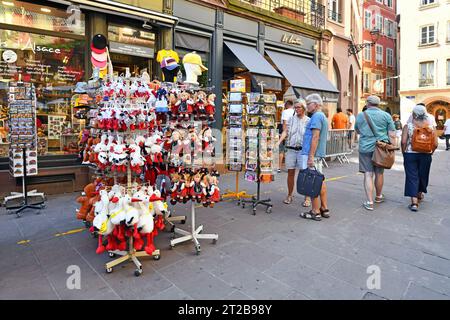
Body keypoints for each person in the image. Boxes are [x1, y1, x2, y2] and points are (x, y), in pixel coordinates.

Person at [355, 95, 396, 211]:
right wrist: (391, 148)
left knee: (368, 174)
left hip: (365, 148)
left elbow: (357, 130)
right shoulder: (386, 115)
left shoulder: (361, 115)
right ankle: (378, 196)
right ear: (379, 104)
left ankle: (369, 201)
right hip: (381, 148)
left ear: (367, 103)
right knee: (379, 173)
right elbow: (392, 134)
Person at [401, 104, 438, 211]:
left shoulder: (408, 126)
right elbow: (435, 143)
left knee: (412, 177)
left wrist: (404, 153)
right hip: (426, 154)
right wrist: (431, 152)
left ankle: (414, 203)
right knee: (423, 175)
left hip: (410, 154)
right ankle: (419, 194)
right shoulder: (431, 127)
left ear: (414, 114)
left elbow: (403, 141)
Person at [299, 93, 329, 221]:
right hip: (317, 154)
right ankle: (324, 208)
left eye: (308, 103)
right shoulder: (321, 116)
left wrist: (310, 156)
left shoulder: (316, 116)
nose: (307, 106)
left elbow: (315, 137)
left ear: (315, 104)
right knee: (320, 181)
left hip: (313, 154)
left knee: (312, 182)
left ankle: (315, 211)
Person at [278, 99, 310, 207]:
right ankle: (290, 195)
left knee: (304, 174)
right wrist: (279, 141)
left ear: (304, 108)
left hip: (303, 151)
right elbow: (285, 131)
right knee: (290, 173)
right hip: (291, 149)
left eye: (299, 107)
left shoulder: (308, 120)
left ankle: (307, 197)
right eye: (295, 107)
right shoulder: (291, 119)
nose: (296, 109)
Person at [278, 100, 294, 173]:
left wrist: (284, 134)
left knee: (281, 151)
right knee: (289, 151)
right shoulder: (294, 112)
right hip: (292, 133)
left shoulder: (285, 112)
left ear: (287, 105)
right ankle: (289, 167)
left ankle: (279, 167)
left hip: (285, 132)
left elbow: (284, 123)